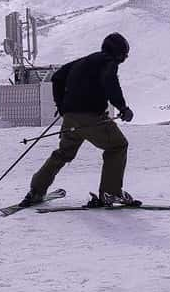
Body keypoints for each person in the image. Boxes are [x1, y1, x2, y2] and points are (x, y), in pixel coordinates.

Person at [20, 33, 140, 208]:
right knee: (118, 146)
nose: (124, 58)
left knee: (63, 153)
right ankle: (111, 192)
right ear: (116, 52)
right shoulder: (108, 62)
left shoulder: (85, 61)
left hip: (70, 118)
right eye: (124, 54)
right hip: (91, 118)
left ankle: (36, 191)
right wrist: (123, 108)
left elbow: (57, 77)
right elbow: (110, 82)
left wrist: (62, 107)